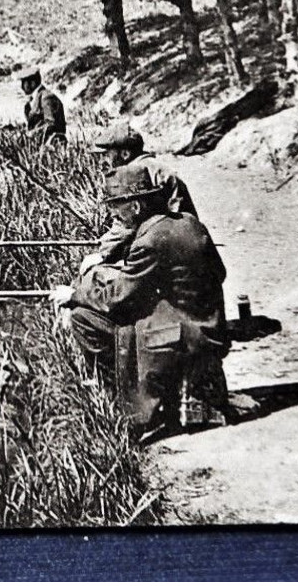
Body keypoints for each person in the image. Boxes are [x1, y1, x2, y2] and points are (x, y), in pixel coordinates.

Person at [50, 163, 231, 442]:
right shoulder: (187, 222)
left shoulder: (150, 240)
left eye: (116, 206)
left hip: (186, 340)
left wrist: (74, 294)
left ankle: (129, 410)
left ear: (135, 206)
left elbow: (118, 298)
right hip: (209, 328)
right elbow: (220, 273)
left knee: (82, 317)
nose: (113, 213)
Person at [83, 121, 197, 270]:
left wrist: (102, 254)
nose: (104, 161)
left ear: (125, 154)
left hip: (161, 252)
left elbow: (126, 224)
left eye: (107, 155)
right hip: (186, 244)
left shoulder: (132, 175)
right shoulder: (159, 168)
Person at [16, 66, 66, 139]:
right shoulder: (34, 99)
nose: (22, 87)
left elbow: (51, 124)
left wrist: (31, 133)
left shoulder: (46, 97)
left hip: (52, 144)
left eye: (24, 82)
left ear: (33, 83)